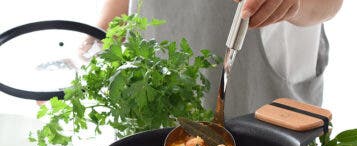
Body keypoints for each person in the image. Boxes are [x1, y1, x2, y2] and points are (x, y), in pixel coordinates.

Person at [92, 0, 343, 118]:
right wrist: (95, 41)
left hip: (263, 87)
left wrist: (295, 3)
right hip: (148, 106)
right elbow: (116, 14)